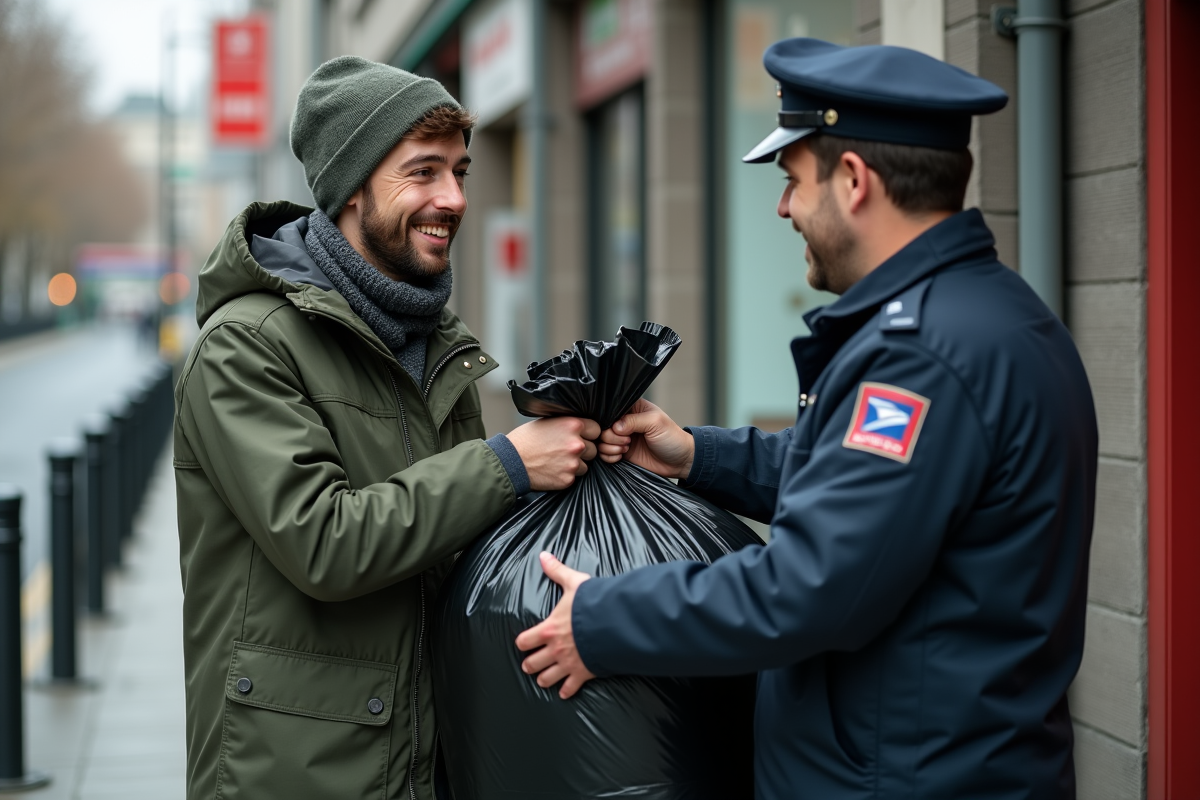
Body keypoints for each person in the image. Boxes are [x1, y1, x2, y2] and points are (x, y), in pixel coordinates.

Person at [517, 37, 1098, 799]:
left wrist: (605, 618)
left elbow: (811, 586)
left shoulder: (920, 357)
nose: (785, 207)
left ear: (853, 180)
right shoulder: (989, 315)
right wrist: (696, 454)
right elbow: (879, 498)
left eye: (793, 180)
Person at [174, 57, 598, 800]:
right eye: (424, 172)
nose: (454, 198)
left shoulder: (434, 340)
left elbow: (460, 540)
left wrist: (578, 480)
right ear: (352, 184)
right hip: (294, 768)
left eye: (461, 172)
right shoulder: (246, 345)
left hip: (422, 752)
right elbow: (324, 542)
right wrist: (508, 464)